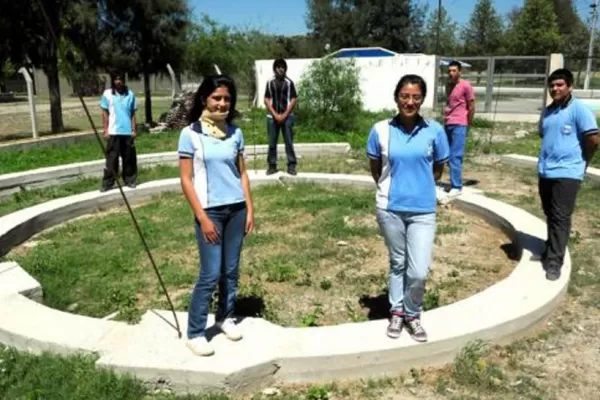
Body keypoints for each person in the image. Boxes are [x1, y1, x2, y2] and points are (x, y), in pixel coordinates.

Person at [366, 74, 450, 342]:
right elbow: (376, 168)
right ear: (396, 97)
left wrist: (420, 187)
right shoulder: (379, 129)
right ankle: (398, 311)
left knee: (418, 269)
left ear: (422, 99)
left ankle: (413, 314)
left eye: (415, 97)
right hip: (390, 207)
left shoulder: (435, 130)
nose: (409, 102)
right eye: (405, 96)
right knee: (398, 263)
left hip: (423, 210)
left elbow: (438, 168)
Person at [178, 75, 255, 356]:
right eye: (217, 98)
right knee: (210, 273)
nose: (222, 104)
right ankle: (195, 331)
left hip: (237, 209)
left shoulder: (236, 133)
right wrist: (202, 217)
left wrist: (249, 208)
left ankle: (225, 316)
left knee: (231, 270)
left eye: (227, 99)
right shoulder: (191, 134)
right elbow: (186, 180)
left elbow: (242, 173)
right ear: (204, 100)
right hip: (210, 211)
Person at [536, 68, 598, 281]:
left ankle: (554, 262)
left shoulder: (579, 109)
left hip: (569, 172)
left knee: (561, 216)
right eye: (552, 85)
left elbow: (593, 139)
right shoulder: (547, 111)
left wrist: (582, 163)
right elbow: (545, 135)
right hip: (546, 171)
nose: (555, 89)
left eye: (560, 85)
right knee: (549, 212)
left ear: (570, 86)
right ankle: (552, 245)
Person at [439, 60, 475, 202]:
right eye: (449, 71)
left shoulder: (466, 86)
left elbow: (471, 106)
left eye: (454, 71)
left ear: (460, 72)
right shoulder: (448, 86)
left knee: (456, 155)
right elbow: (450, 102)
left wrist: (468, 123)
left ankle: (456, 186)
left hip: (460, 123)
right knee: (445, 154)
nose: (451, 73)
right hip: (448, 122)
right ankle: (447, 180)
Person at [100, 73, 138, 191]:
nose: (118, 81)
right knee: (112, 158)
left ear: (123, 81)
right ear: (113, 81)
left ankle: (130, 180)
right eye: (116, 79)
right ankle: (108, 183)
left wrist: (133, 129)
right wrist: (106, 130)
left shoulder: (130, 94)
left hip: (127, 132)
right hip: (113, 132)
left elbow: (132, 114)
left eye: (120, 79)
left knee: (129, 158)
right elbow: (104, 113)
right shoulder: (107, 94)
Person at [264, 58, 298, 176]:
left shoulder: (289, 82)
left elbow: (293, 99)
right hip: (272, 117)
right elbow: (266, 99)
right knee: (272, 142)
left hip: (287, 116)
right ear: (274, 69)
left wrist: (284, 114)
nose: (280, 69)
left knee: (289, 142)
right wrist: (274, 114)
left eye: (282, 67)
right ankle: (272, 166)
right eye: (278, 67)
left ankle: (291, 165)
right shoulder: (270, 82)